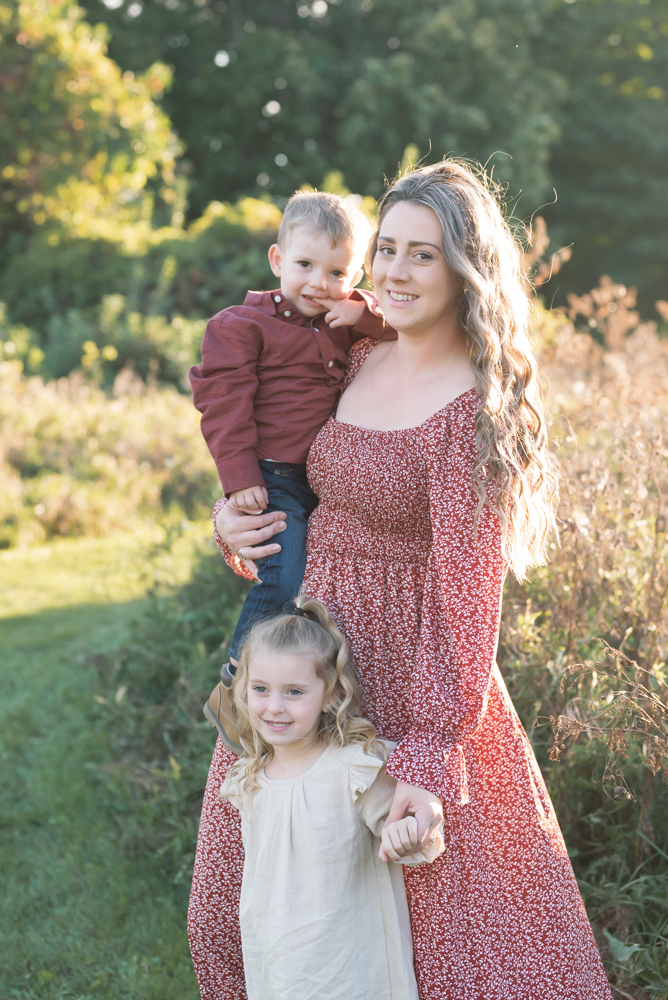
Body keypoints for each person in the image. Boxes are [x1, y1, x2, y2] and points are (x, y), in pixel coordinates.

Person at [189, 160, 613, 1000]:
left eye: (423, 254)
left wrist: (424, 758)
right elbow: (293, 487)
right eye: (386, 249)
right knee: (230, 905)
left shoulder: (471, 409)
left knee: (435, 933)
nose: (393, 271)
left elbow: (468, 592)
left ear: (466, 268)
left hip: (410, 674)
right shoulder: (352, 359)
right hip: (302, 662)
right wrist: (231, 522)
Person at [189, 191, 395, 674]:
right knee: (284, 578)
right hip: (271, 476)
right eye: (304, 264)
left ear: (356, 277)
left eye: (336, 273)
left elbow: (405, 326)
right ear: (278, 259)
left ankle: (302, 682)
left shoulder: (346, 318)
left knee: (319, 592)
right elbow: (223, 405)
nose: (319, 283)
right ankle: (244, 672)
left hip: (325, 483)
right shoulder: (241, 326)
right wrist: (239, 477)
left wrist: (362, 315)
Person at [220, 596, 444, 1000]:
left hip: (350, 963)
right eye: (260, 689)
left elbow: (408, 830)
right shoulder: (248, 776)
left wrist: (408, 833)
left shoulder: (352, 767)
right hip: (277, 957)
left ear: (328, 695)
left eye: (293, 691)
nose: (274, 707)